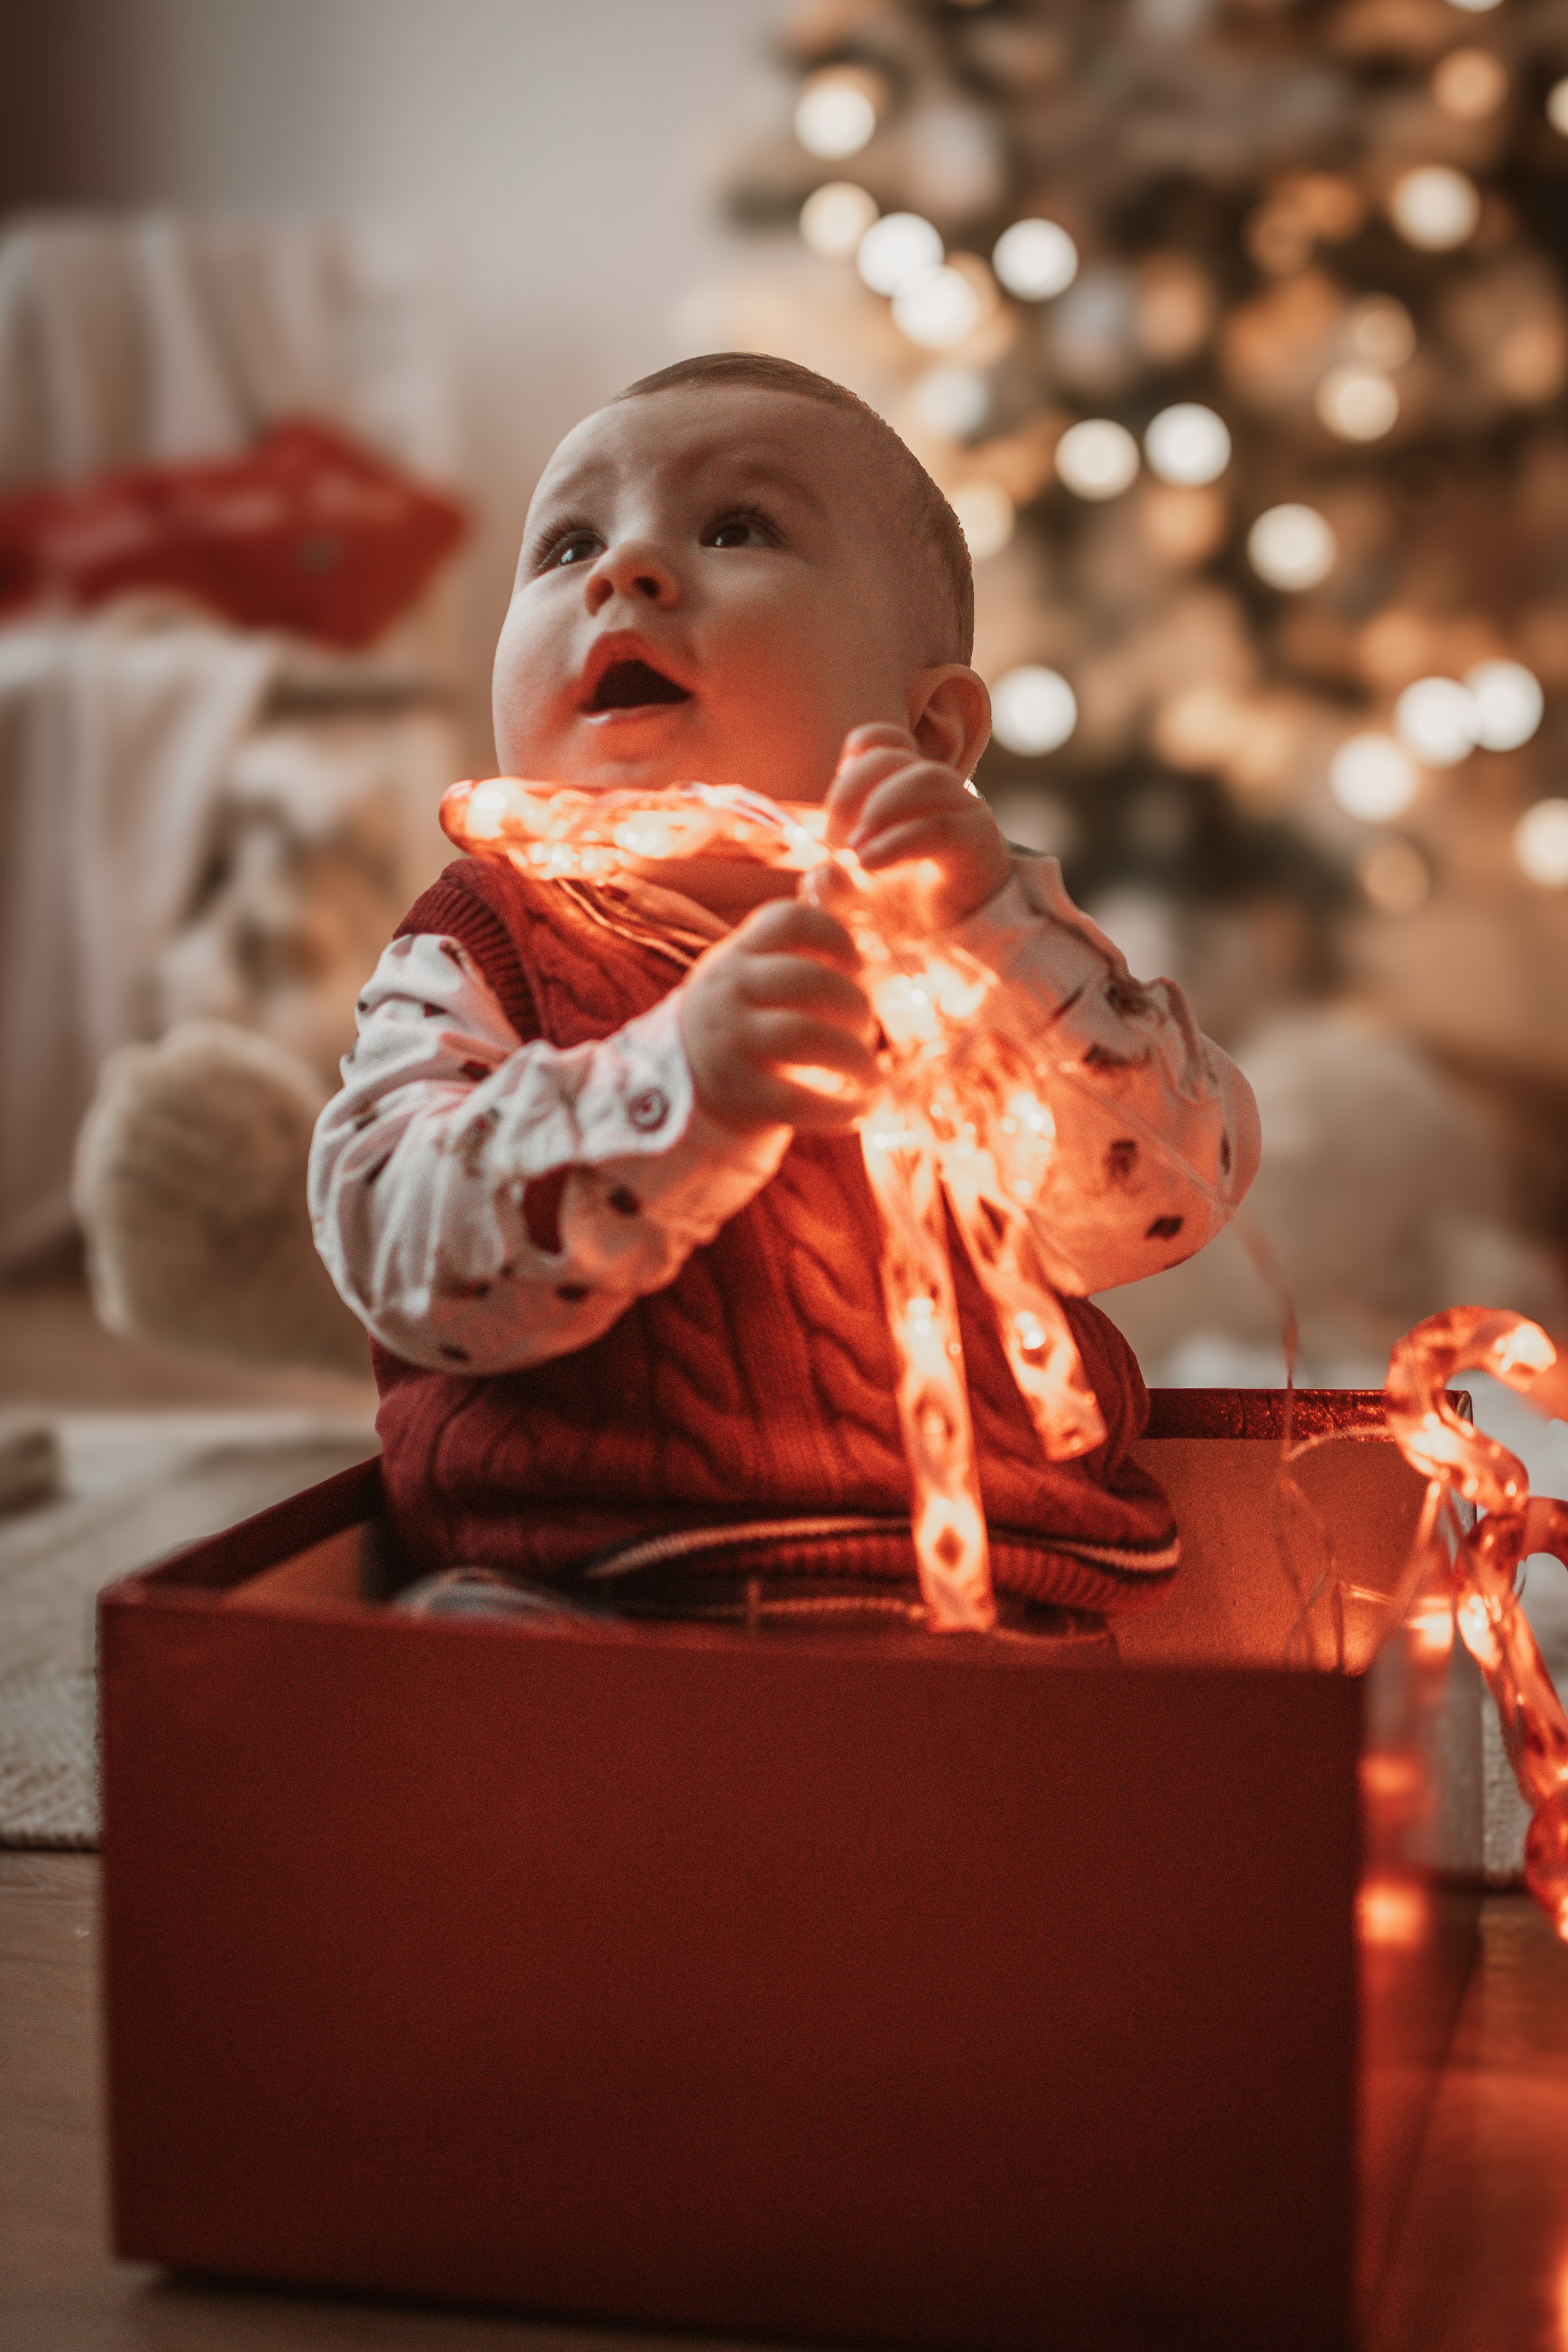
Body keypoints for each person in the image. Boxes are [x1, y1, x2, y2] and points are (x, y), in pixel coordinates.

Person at [307, 354, 1261, 1626]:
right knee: (467, 1690)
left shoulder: (977, 935)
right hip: (581, 1576)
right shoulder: (482, 941)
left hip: (992, 1590)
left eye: (734, 527)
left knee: (1120, 1782)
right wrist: (673, 1088)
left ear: (929, 735)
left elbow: (1163, 1197)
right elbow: (393, 1242)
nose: (624, 572)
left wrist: (997, 946)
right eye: (568, 542)